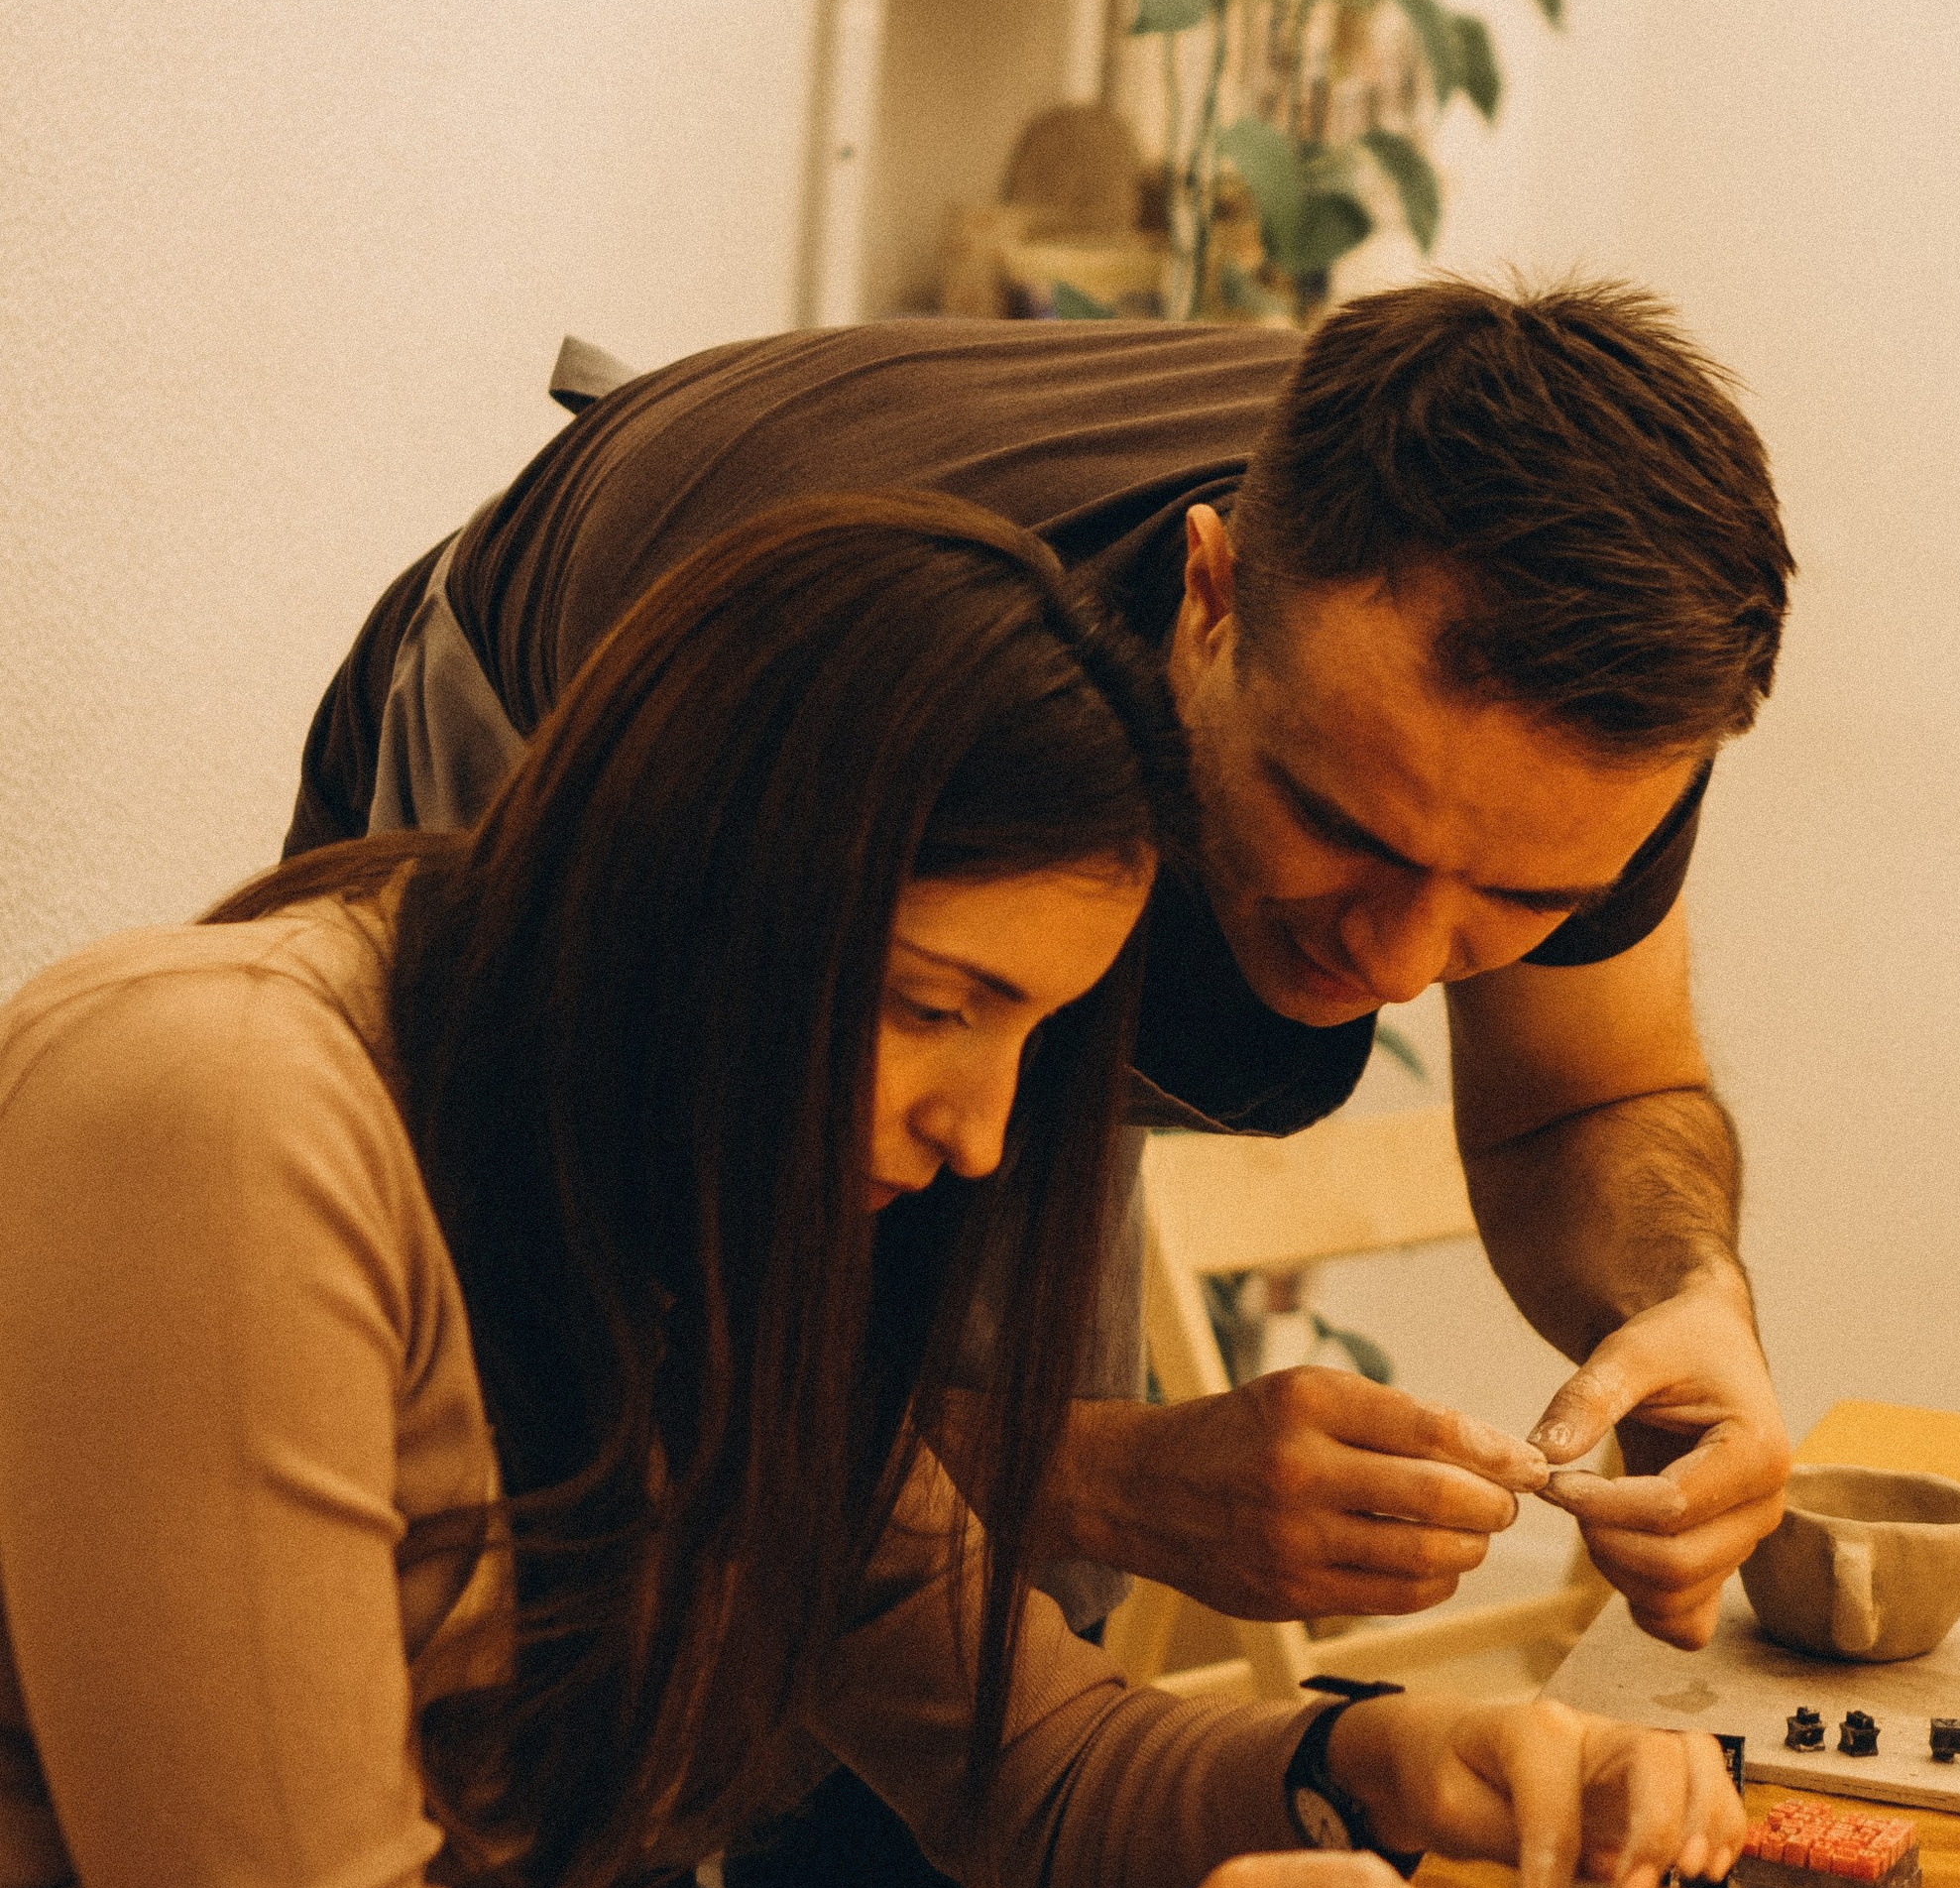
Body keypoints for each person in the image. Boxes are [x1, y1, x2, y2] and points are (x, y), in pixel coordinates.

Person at [0, 496, 1742, 1888]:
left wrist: (1376, 1763)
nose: (980, 1131)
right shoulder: (214, 1108)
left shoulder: (677, 1182)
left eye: (1036, 1033)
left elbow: (1041, 1770)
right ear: (698, 899)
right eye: (940, 1008)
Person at [291, 280, 1800, 1654]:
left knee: (1022, 1619)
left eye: (1521, 898)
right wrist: (1087, 1475)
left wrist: (1687, 1300)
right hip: (598, 710)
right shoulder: (835, 694)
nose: (1401, 963)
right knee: (541, 1586)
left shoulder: (1581, 728)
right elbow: (559, 1340)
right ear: (1210, 599)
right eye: (1344, 828)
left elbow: (1578, 1104)